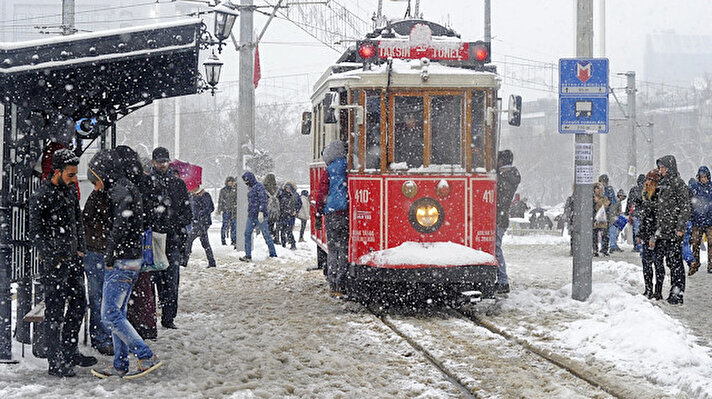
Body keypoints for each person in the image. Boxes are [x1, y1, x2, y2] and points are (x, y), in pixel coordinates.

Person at [88, 149, 162, 379]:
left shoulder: (119, 191)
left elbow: (119, 227)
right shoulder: (127, 187)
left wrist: (109, 255)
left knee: (109, 313)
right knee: (118, 312)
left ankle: (145, 355)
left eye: (95, 180)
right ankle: (120, 365)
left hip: (122, 259)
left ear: (103, 173)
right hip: (132, 258)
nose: (95, 186)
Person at [29, 148, 97, 377]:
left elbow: (77, 220)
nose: (73, 178)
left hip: (73, 261)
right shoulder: (41, 196)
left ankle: (69, 351)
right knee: (55, 313)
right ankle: (55, 360)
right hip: (55, 264)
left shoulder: (69, 191)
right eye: (70, 174)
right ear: (56, 172)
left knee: (78, 307)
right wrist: (53, 255)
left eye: (75, 174)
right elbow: (35, 232)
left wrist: (80, 248)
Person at [116, 145, 158, 341]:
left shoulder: (123, 185)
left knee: (127, 287)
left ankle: (133, 325)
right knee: (143, 285)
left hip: (128, 243)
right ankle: (147, 325)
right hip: (142, 240)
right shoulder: (145, 181)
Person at [150, 147, 193, 329]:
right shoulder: (148, 182)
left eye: (165, 161)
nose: (162, 165)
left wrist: (173, 222)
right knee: (154, 280)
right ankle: (154, 314)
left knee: (171, 280)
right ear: (153, 162)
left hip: (172, 238)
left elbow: (187, 214)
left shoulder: (177, 184)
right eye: (160, 161)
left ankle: (168, 317)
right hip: (154, 239)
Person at [82, 168, 114, 356]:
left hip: (97, 250)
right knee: (100, 297)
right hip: (98, 251)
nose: (95, 187)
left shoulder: (99, 197)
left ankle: (102, 336)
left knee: (99, 297)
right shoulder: (101, 198)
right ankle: (102, 337)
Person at [652, 155, 691, 304]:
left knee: (675, 264)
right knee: (665, 262)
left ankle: (677, 293)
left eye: (663, 167)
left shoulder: (678, 184)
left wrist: (680, 227)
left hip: (674, 231)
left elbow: (685, 207)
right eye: (660, 167)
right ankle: (669, 291)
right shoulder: (661, 184)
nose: (660, 170)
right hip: (662, 232)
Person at [315, 141, 349, 296]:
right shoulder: (349, 167)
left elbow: (321, 193)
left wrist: (318, 212)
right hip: (346, 213)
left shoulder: (328, 171)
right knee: (344, 248)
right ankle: (343, 281)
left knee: (333, 249)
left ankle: (333, 283)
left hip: (331, 214)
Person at [494, 150, 521, 294]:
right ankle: (502, 279)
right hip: (501, 218)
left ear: (501, 162)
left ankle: (503, 280)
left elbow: (499, 198)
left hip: (498, 218)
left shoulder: (502, 179)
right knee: (496, 248)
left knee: (496, 248)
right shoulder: (510, 177)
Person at [239, 171, 278, 261]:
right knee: (247, 234)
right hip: (252, 214)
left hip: (259, 215)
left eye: (247, 180)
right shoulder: (251, 187)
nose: (246, 183)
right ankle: (248, 255)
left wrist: (261, 211)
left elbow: (263, 200)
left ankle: (273, 254)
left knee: (266, 234)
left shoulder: (259, 187)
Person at [638, 169, 664, 299]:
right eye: (647, 180)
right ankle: (648, 288)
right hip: (647, 235)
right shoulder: (645, 196)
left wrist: (655, 236)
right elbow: (644, 218)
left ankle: (658, 291)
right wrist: (640, 234)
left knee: (658, 263)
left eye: (651, 180)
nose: (647, 183)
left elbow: (660, 219)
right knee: (646, 263)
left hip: (657, 236)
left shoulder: (660, 196)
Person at [185, 186, 217, 268]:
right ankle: (212, 262)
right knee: (205, 243)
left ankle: (184, 261)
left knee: (189, 240)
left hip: (202, 223)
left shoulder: (205, 195)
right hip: (197, 222)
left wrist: (201, 213)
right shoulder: (193, 196)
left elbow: (210, 208)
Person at [688, 166, 712, 275]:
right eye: (701, 177)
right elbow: (689, 203)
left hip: (710, 221)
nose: (703, 179)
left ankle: (711, 265)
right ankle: (695, 263)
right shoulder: (694, 188)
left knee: (711, 244)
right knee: (695, 243)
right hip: (697, 221)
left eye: (705, 177)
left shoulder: (711, 188)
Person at [278, 182, 301, 250]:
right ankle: (283, 244)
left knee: (289, 230)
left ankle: (292, 244)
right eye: (286, 188)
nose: (287, 189)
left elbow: (299, 204)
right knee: (282, 230)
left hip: (290, 215)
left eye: (288, 188)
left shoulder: (295, 195)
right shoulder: (282, 194)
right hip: (283, 215)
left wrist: (296, 211)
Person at [626, 174, 646, 252]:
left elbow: (629, 201)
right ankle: (642, 245)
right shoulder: (646, 189)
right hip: (644, 213)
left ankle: (637, 245)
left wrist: (627, 211)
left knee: (636, 229)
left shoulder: (633, 189)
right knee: (643, 229)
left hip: (636, 213)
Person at [218, 176, 238, 246]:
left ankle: (233, 240)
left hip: (233, 211)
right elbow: (220, 200)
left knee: (233, 226)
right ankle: (223, 240)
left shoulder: (235, 190)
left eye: (232, 182)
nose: (231, 183)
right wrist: (219, 209)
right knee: (225, 225)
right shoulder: (223, 190)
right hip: (226, 210)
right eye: (230, 181)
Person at [593, 182, 611, 257]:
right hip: (594, 219)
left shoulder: (604, 198)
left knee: (605, 234)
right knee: (594, 235)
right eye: (596, 188)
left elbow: (608, 206)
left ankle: (604, 249)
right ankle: (594, 249)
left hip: (603, 219)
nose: (598, 190)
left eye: (599, 188)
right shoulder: (591, 198)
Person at [263, 174, 281, 244]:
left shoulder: (264, 188)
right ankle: (275, 237)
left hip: (267, 209)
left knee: (267, 224)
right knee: (274, 224)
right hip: (275, 210)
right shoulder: (277, 189)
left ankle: (269, 237)